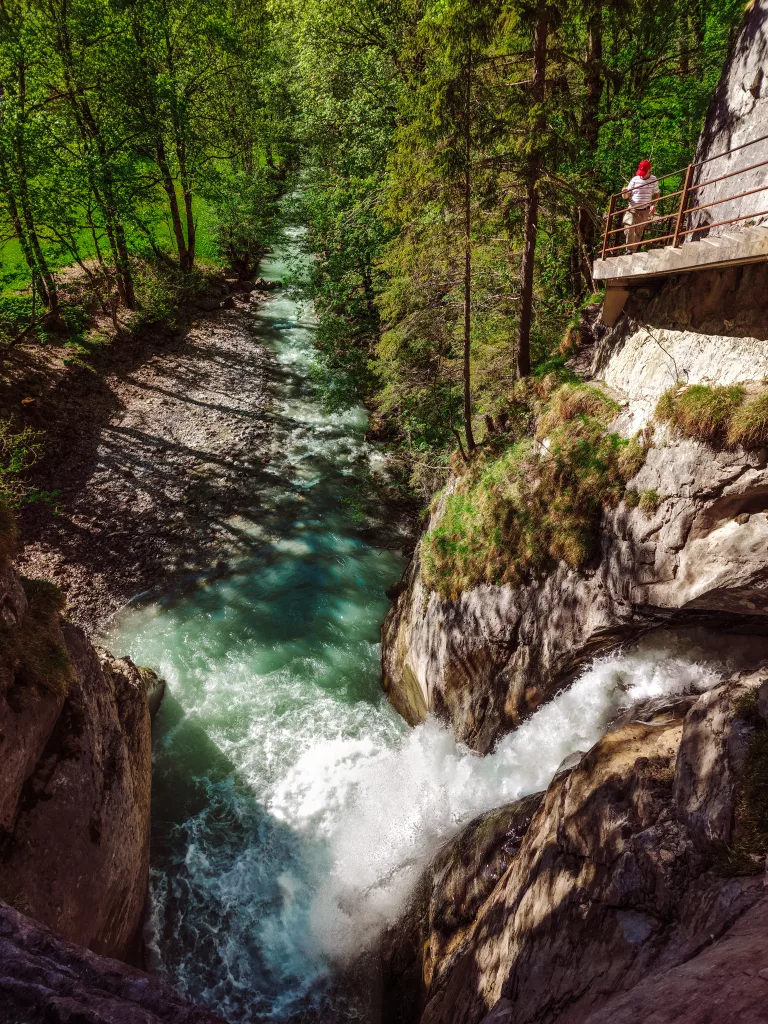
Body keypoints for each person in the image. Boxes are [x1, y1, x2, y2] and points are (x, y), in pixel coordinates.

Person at [622, 159, 660, 249]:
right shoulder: (635, 179)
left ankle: (632, 251)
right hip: (632, 209)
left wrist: (654, 205)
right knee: (628, 227)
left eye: (644, 172)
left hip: (645, 210)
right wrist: (624, 192)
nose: (642, 174)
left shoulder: (653, 179)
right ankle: (629, 250)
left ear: (649, 170)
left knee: (638, 232)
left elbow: (657, 194)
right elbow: (625, 197)